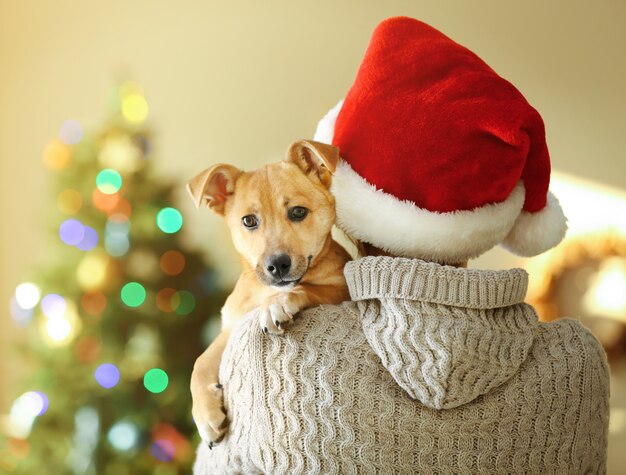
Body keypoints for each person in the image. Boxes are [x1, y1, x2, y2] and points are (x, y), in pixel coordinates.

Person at [194, 17, 609, 474]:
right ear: (493, 220)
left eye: (299, 213)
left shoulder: (273, 345)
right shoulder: (577, 361)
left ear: (343, 207)